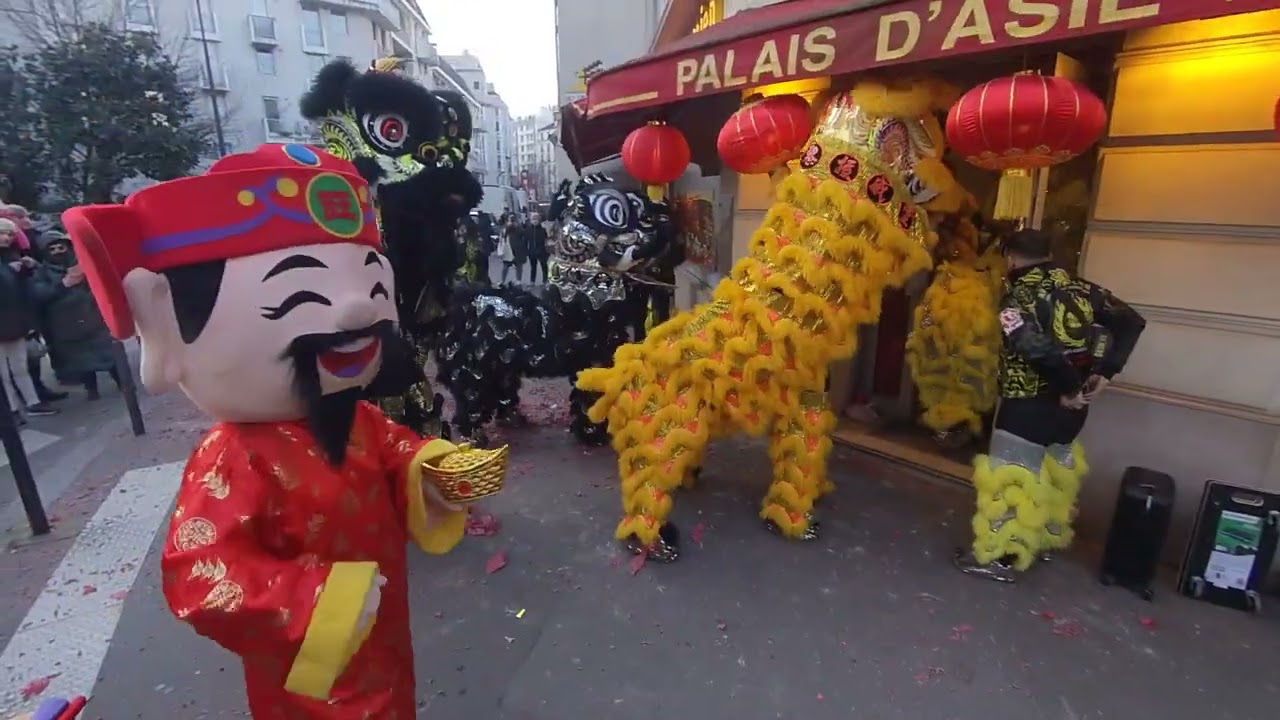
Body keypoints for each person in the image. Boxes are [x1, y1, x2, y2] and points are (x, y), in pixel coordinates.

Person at [61, 144, 508, 717]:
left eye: (374, 289)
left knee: (392, 696)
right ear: (166, 328)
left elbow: (395, 448)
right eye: (298, 298)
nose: (355, 314)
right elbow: (201, 570)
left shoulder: (353, 417)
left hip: (380, 624)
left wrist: (434, 468)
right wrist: (314, 598)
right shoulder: (233, 457)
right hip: (310, 654)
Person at [955, 228, 1146, 583]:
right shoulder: (1084, 289)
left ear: (1010, 257)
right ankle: (1039, 542)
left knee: (1012, 479)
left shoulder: (1017, 296)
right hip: (1074, 410)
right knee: (1053, 472)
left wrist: (1068, 386)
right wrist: (1106, 372)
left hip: (1029, 402)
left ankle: (1001, 557)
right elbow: (1133, 322)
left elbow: (1032, 346)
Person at [27, 231, 120, 399]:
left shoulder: (83, 263)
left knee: (109, 352)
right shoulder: (42, 273)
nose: (57, 252)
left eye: (60, 247)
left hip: (93, 316)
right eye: (52, 249)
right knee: (81, 360)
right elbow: (38, 295)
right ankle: (91, 389)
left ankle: (121, 381)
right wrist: (64, 284)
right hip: (67, 324)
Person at [0, 218, 58, 418]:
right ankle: (12, 410)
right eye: (2, 233)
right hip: (6, 321)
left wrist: (28, 268)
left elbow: (20, 290)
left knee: (19, 366)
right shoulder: (7, 262)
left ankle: (32, 403)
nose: (6, 237)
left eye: (9, 234)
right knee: (4, 373)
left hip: (15, 320)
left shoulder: (11, 256)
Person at [525, 211, 550, 284]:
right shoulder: (528, 230)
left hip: (542, 251)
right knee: (533, 267)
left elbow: (546, 241)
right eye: (533, 218)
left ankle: (545, 280)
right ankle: (532, 281)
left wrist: (546, 251)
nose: (535, 220)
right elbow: (526, 241)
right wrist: (527, 251)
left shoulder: (542, 230)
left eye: (536, 218)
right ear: (531, 220)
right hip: (532, 251)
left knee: (544, 266)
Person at [499, 214, 523, 283]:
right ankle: (502, 281)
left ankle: (518, 281)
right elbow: (502, 236)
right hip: (508, 248)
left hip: (517, 249)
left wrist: (517, 226)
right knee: (505, 265)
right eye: (510, 219)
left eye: (513, 219)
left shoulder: (518, 227)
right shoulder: (505, 228)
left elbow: (522, 234)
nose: (512, 221)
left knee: (518, 265)